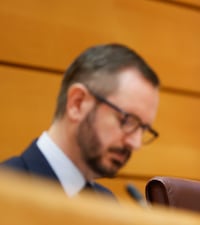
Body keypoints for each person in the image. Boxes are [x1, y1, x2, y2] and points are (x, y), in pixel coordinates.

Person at [0, 43, 160, 198]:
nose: (136, 143)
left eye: (144, 129)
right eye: (128, 121)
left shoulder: (107, 204)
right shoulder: (6, 190)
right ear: (77, 104)